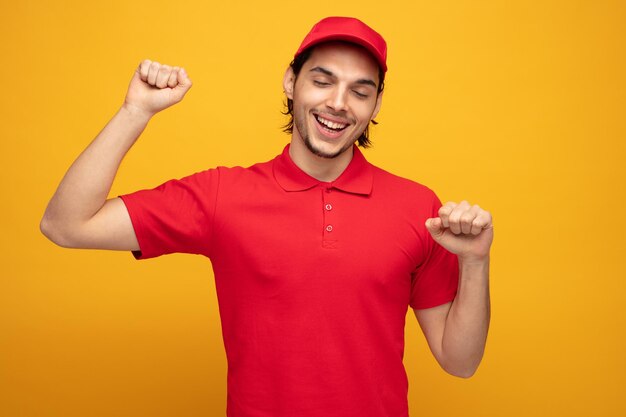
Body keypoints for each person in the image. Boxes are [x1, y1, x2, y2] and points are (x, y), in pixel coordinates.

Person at [41, 16, 492, 417]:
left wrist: (475, 263)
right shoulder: (222, 195)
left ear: (376, 106)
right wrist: (135, 111)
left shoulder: (418, 206)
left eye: (361, 91)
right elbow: (66, 225)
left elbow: (461, 362)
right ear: (291, 82)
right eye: (322, 80)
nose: (339, 103)